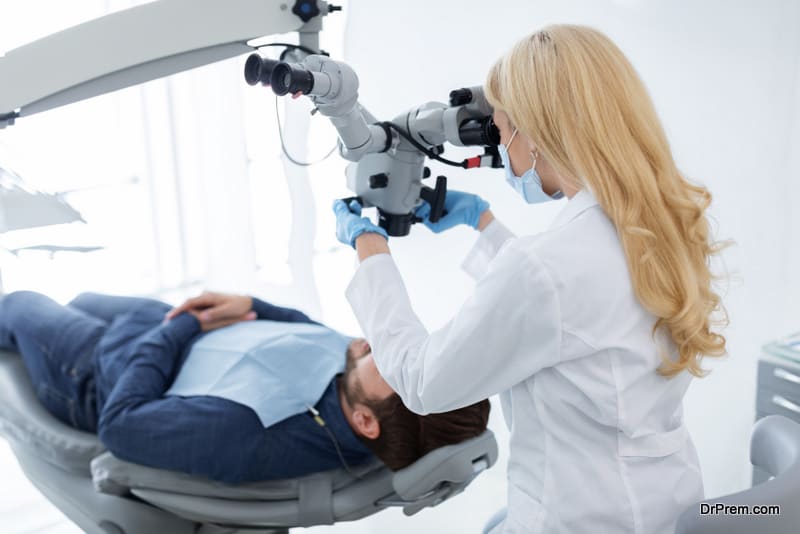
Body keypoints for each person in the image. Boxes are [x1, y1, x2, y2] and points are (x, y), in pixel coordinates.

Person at [328, 24, 728, 533]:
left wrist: (370, 248)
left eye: (501, 129)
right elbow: (576, 310)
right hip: (671, 502)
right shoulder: (663, 223)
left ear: (533, 132)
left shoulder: (549, 268)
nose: (503, 148)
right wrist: (482, 225)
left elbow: (424, 381)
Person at [0, 290, 489, 484]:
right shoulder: (363, 387)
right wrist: (249, 304)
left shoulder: (251, 432)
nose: (386, 345)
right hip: (156, 331)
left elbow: (120, 425)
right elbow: (308, 334)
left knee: (17, 303)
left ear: (365, 420)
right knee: (81, 295)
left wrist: (184, 328)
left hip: (97, 369)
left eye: (401, 366)